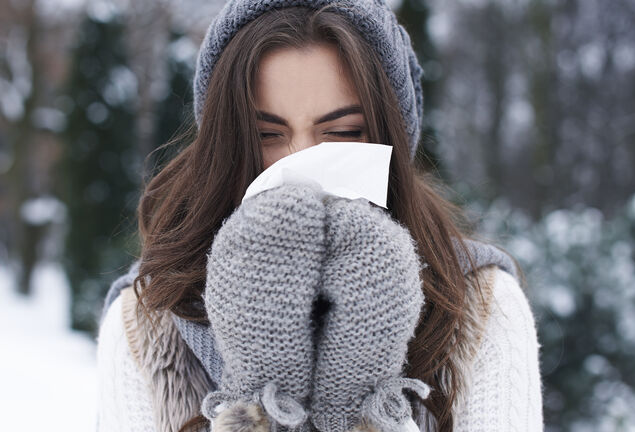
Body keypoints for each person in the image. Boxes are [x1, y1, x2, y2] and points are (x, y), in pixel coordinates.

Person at [95, 1, 543, 431]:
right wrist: (258, 401)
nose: (302, 163)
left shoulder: (480, 307)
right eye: (266, 134)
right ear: (226, 145)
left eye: (343, 131)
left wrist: (359, 405)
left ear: (388, 135)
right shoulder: (146, 321)